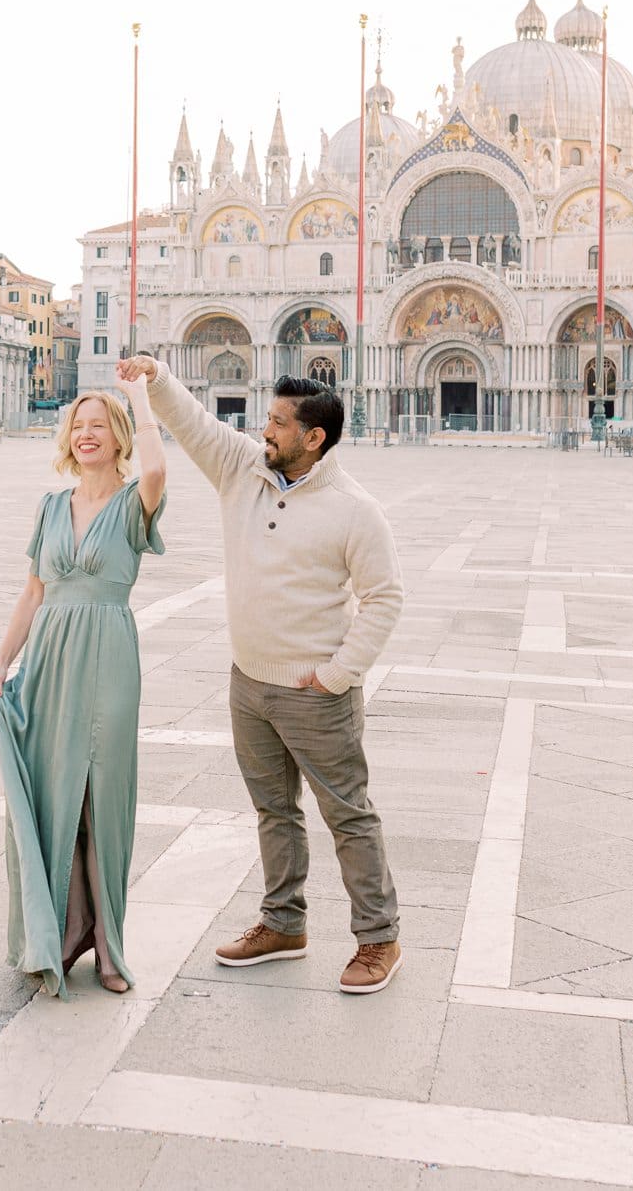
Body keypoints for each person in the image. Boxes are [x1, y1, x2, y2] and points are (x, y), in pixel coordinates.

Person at [117, 356, 404, 994]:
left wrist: (338, 675)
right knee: (273, 810)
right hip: (248, 683)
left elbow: (384, 597)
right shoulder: (242, 469)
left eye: (276, 422)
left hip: (316, 695)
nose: (262, 429)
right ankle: (283, 923)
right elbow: (191, 424)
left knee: (349, 816)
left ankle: (379, 939)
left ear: (314, 438)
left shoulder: (356, 510)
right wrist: (157, 377)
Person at [0, 380, 165, 997]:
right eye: (78, 425)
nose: (86, 434)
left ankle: (109, 944)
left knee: (102, 797)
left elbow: (159, 461)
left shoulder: (139, 498)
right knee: (55, 798)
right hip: (49, 662)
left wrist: (142, 396)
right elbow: (34, 591)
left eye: (99, 424)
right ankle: (65, 929)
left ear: (120, 437)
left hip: (110, 652)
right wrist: (2, 661)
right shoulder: (50, 505)